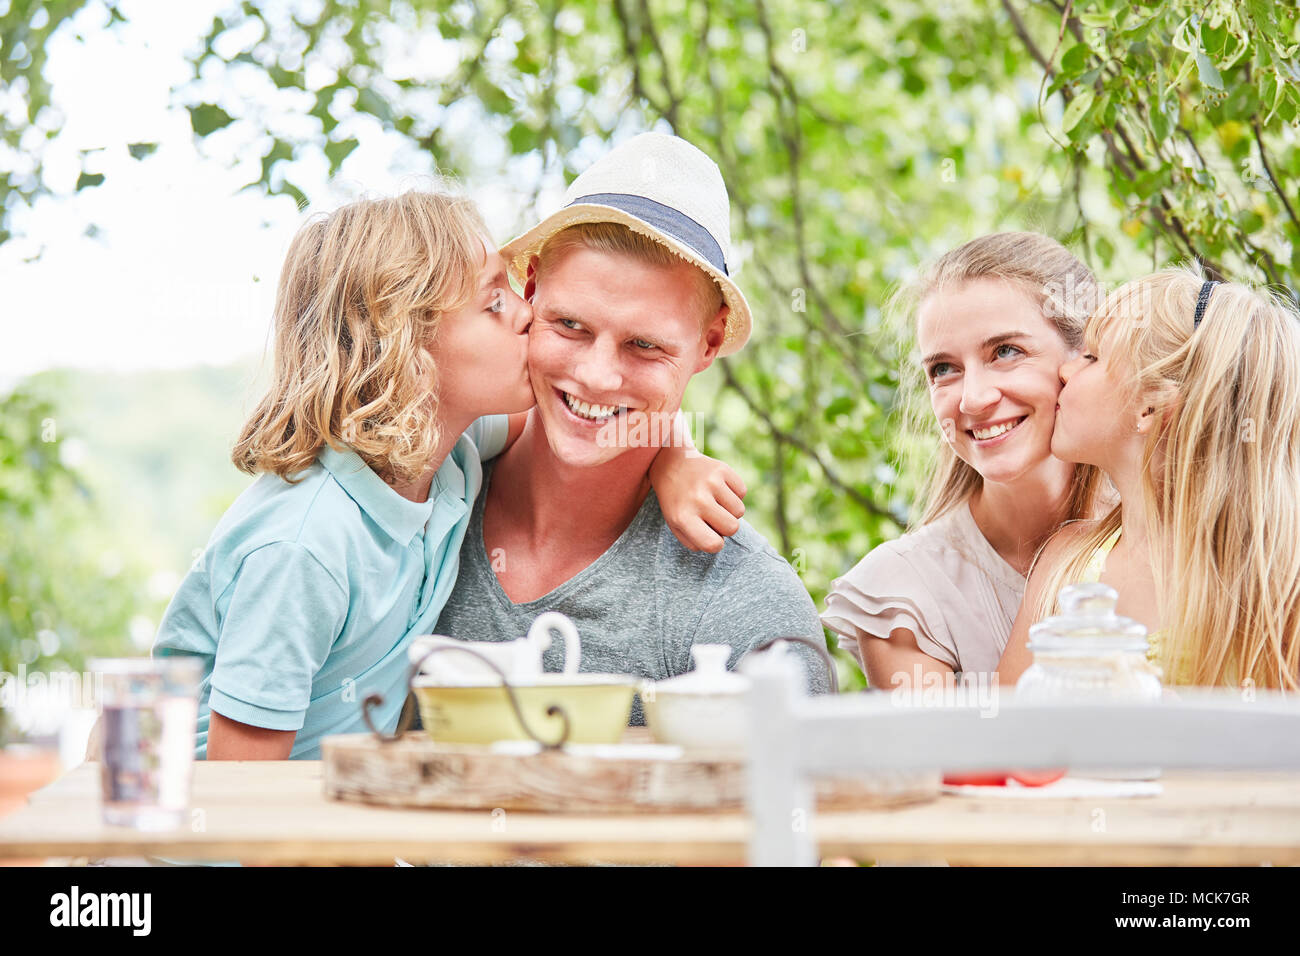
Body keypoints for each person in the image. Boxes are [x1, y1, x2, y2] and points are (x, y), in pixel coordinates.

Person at [151, 188, 747, 760]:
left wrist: (674, 458)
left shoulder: (450, 453)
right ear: (408, 350)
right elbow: (240, 808)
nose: (527, 314)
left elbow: (611, 425)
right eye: (494, 302)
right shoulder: (308, 547)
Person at [434, 132, 831, 718]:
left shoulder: (748, 607)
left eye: (644, 346)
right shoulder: (423, 504)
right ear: (532, 288)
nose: (596, 377)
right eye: (570, 325)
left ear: (710, 342)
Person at [820, 233, 1109, 688]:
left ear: (1084, 356)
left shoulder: (1165, 535)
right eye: (943, 369)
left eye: (1006, 352)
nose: (973, 400)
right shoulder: (902, 597)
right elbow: (968, 760)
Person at [997, 266, 1300, 690]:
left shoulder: (1281, 589)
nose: (1065, 372)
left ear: (1151, 409)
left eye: (1093, 357)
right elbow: (1004, 741)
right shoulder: (1064, 563)